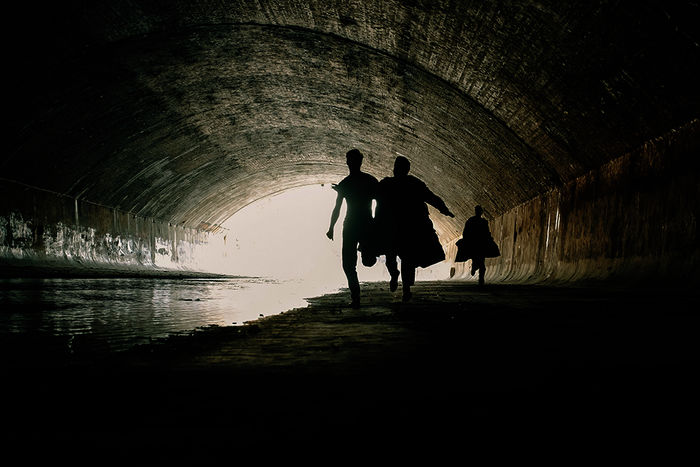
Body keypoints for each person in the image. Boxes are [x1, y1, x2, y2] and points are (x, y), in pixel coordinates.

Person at [375, 156, 454, 301]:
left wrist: (444, 209)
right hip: (407, 228)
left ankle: (403, 286)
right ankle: (398, 279)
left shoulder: (388, 184)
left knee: (397, 258)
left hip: (395, 228)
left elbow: (431, 197)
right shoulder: (413, 184)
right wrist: (443, 209)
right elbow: (432, 198)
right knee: (405, 259)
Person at [326, 149, 379, 308]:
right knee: (348, 264)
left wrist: (331, 227)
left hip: (357, 225)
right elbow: (337, 209)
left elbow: (337, 209)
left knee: (364, 262)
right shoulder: (362, 181)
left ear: (351, 162)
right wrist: (331, 227)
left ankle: (356, 296)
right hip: (358, 225)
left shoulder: (348, 184)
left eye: (352, 160)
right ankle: (355, 297)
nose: (351, 163)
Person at [455, 205, 498, 286]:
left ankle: (480, 278)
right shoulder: (475, 221)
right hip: (476, 244)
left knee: (480, 261)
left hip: (479, 244)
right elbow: (466, 232)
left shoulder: (474, 221)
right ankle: (476, 270)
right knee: (479, 261)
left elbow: (486, 232)